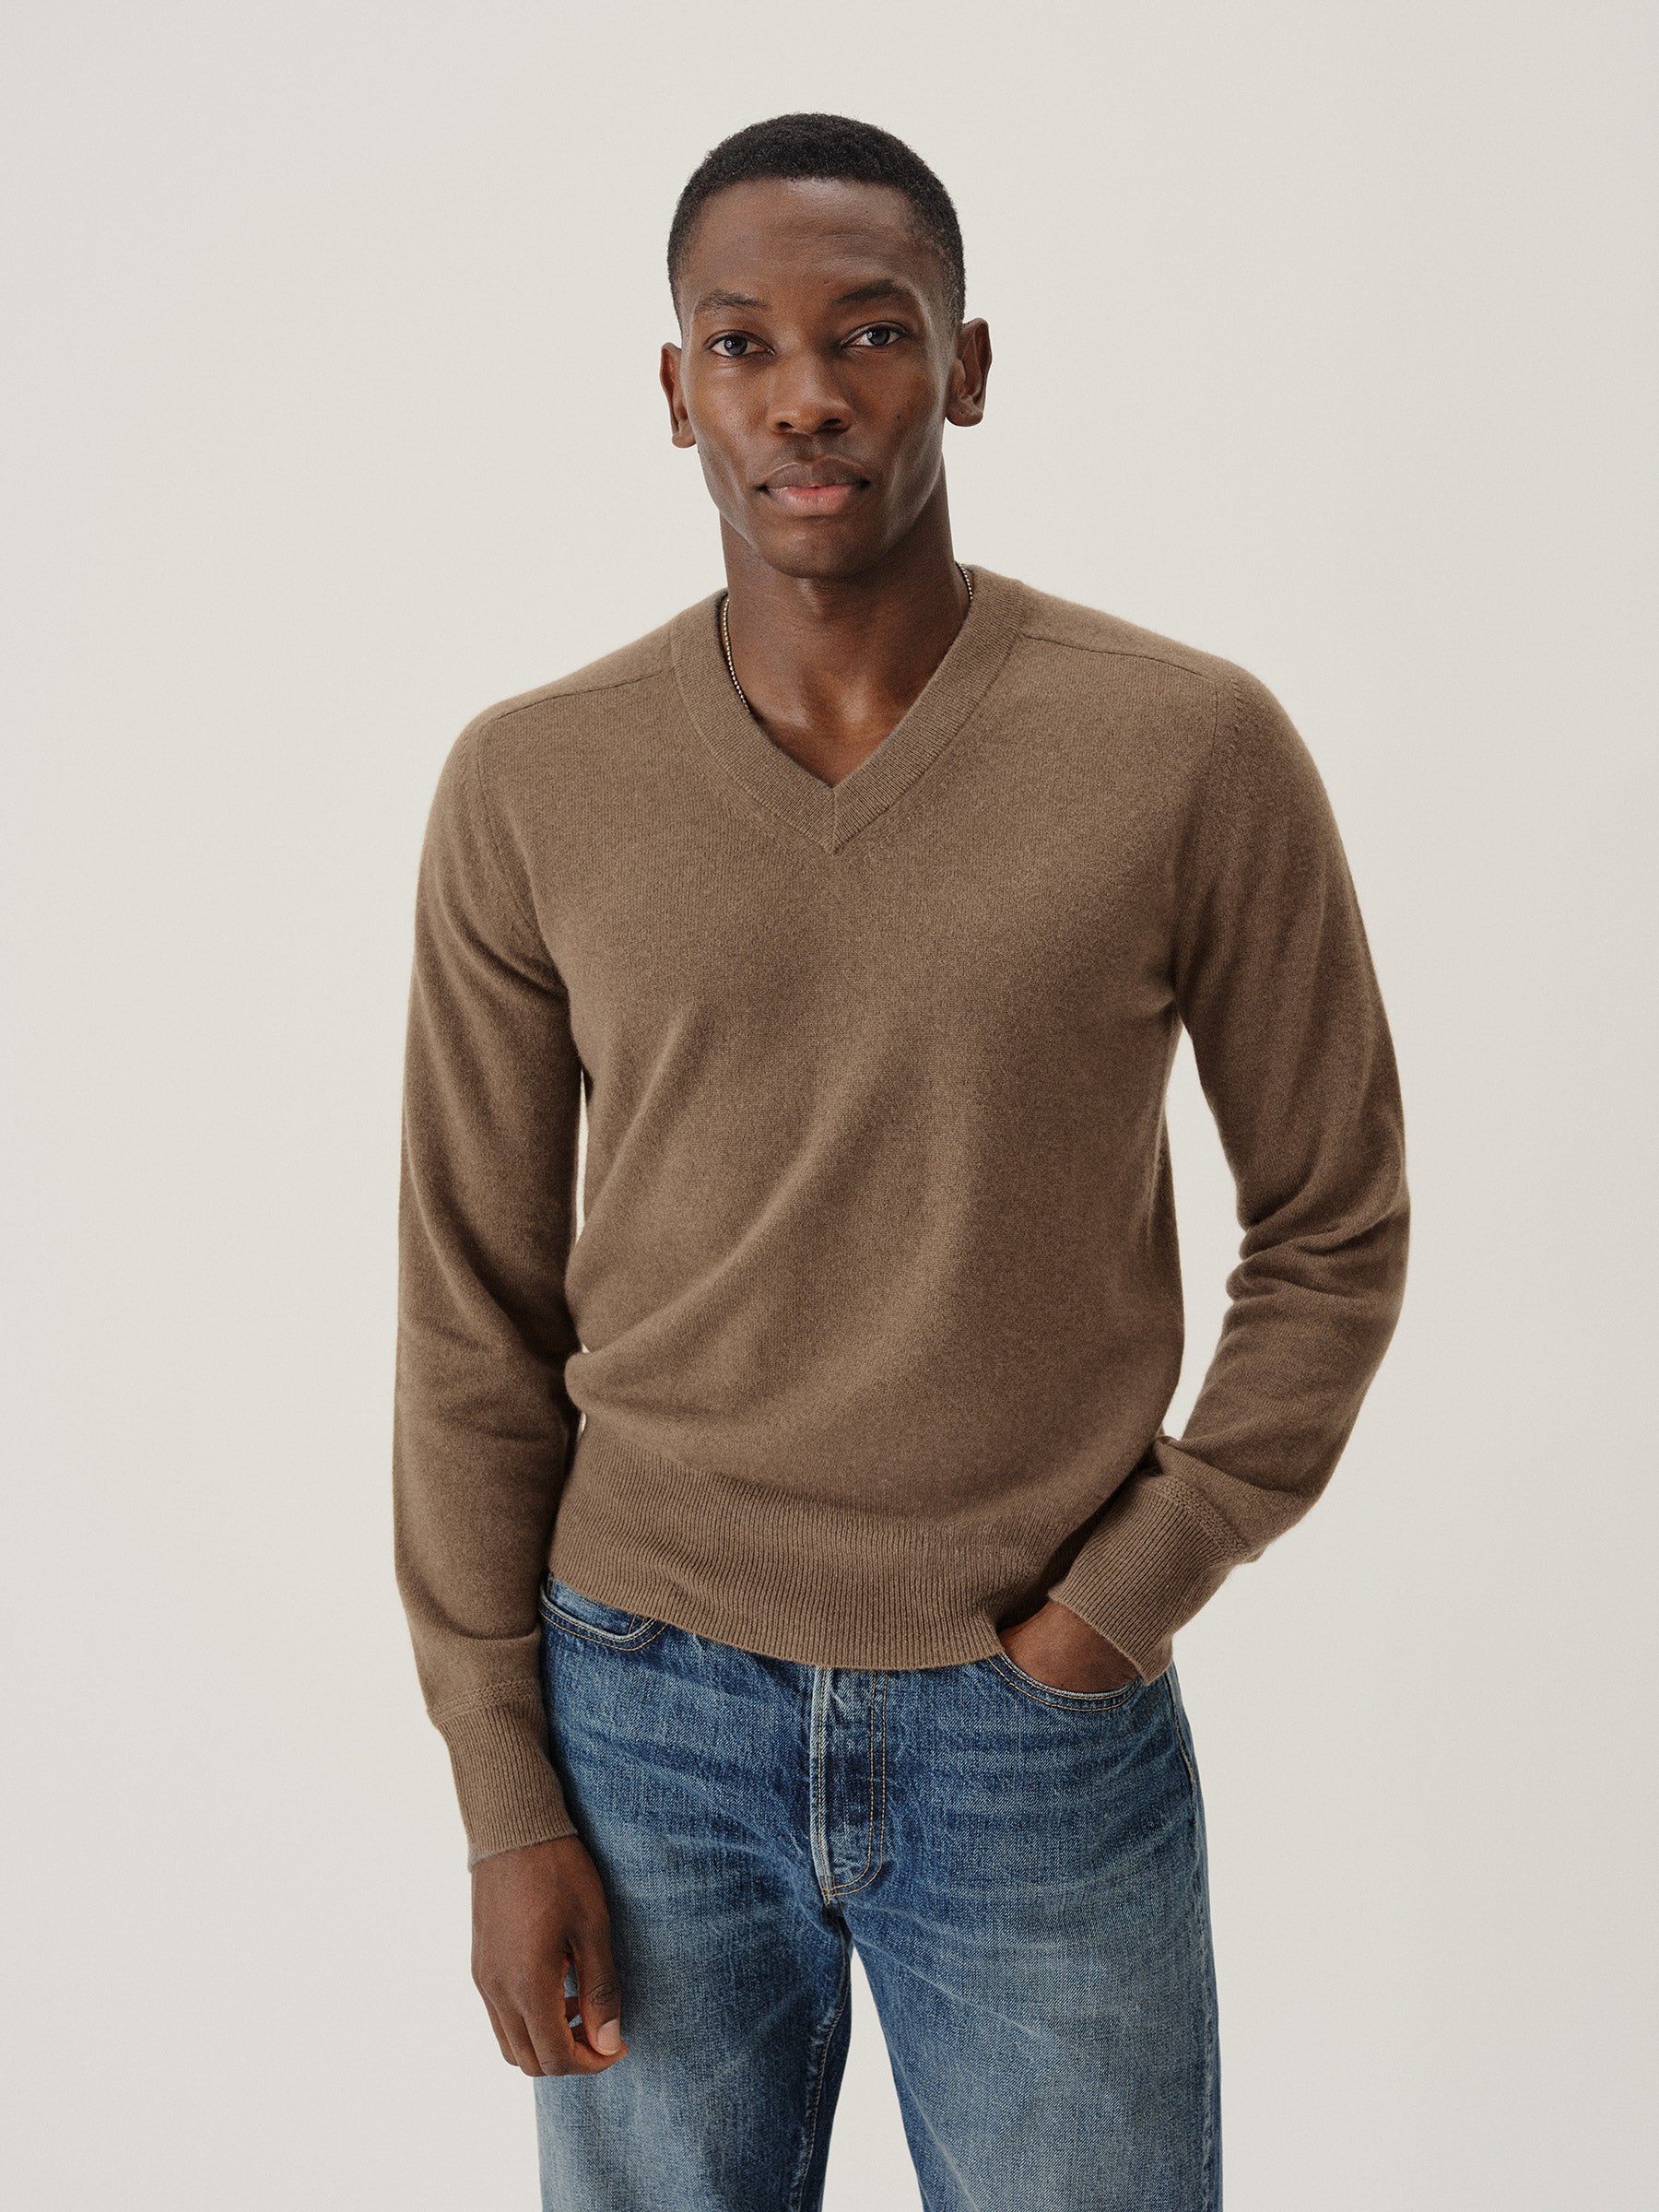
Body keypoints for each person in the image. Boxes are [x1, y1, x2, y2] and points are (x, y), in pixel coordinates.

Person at [393, 112, 1410, 2212]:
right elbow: (472, 1316)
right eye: (742, 342)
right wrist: (505, 1793)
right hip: (641, 1706)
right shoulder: (530, 782)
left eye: (869, 331)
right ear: (674, 387)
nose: (806, 393)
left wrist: (1125, 1599)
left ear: (966, 364)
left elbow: (1334, 1228)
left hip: (1037, 1718)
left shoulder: (1187, 747)